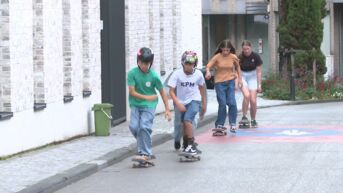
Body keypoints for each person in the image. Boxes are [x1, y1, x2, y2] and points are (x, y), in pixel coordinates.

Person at [127, 47, 172, 161]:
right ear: (138, 61)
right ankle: (144, 146)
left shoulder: (154, 76)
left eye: (147, 63)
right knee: (134, 126)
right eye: (142, 63)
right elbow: (132, 92)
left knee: (144, 126)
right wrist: (147, 96)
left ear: (150, 63)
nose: (144, 66)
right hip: (136, 104)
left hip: (149, 105)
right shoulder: (132, 74)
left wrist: (167, 109)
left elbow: (162, 92)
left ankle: (145, 153)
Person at [168, 51, 206, 155]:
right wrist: (178, 103)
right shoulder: (177, 74)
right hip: (181, 101)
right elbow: (171, 91)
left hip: (194, 100)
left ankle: (191, 144)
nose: (189, 66)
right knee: (181, 124)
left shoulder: (198, 74)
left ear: (195, 64)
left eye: (191, 64)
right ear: (183, 63)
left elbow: (202, 89)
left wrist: (204, 104)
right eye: (187, 64)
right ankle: (184, 142)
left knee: (188, 120)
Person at [205, 39, 242, 133]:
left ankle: (233, 123)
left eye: (227, 50)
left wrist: (239, 80)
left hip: (230, 82)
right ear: (221, 48)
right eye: (224, 50)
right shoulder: (217, 57)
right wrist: (208, 72)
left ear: (230, 49)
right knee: (222, 103)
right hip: (219, 83)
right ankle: (220, 124)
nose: (225, 52)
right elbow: (208, 65)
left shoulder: (233, 57)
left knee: (232, 103)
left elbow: (238, 68)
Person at [238, 40, 263, 128]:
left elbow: (259, 72)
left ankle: (253, 120)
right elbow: (237, 71)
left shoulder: (256, 56)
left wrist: (259, 85)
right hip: (242, 76)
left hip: (253, 76)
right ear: (242, 49)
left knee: (253, 100)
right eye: (244, 49)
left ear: (250, 48)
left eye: (248, 49)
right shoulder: (239, 57)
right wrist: (238, 81)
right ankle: (244, 117)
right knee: (247, 95)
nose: (246, 51)